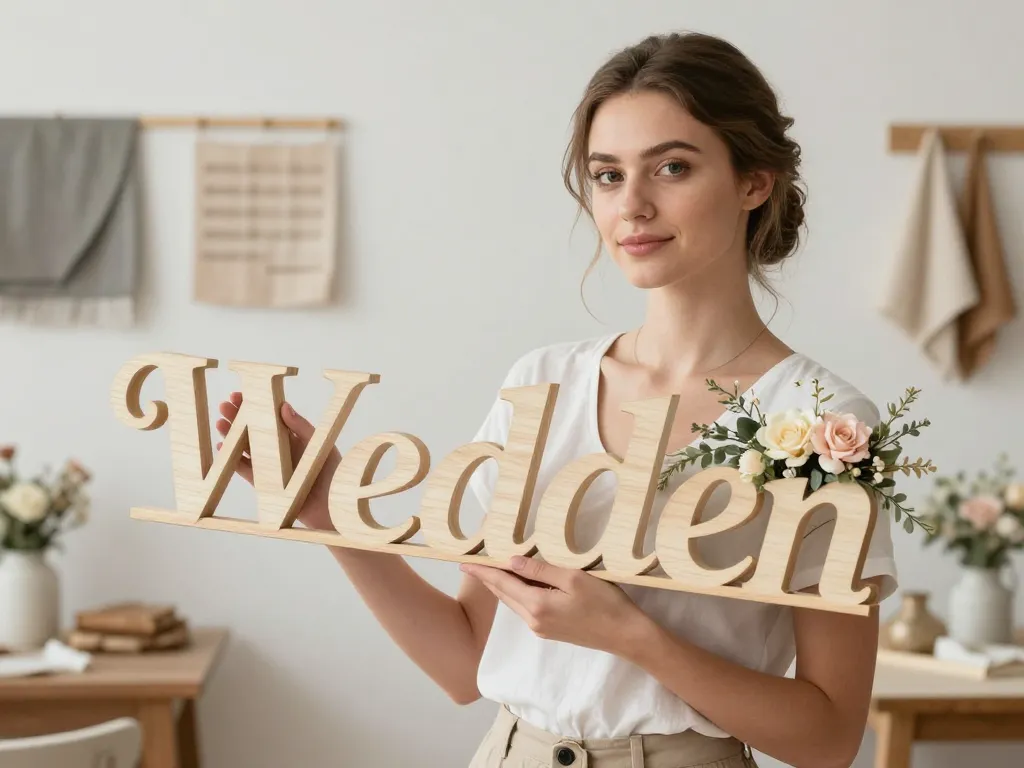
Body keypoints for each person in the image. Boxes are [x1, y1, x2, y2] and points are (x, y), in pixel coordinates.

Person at [216, 31, 897, 768]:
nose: (632, 205)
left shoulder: (825, 425)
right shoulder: (543, 385)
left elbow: (829, 739)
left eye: (672, 167)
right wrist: (326, 512)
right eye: (607, 175)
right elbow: (465, 663)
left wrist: (629, 635)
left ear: (753, 181)